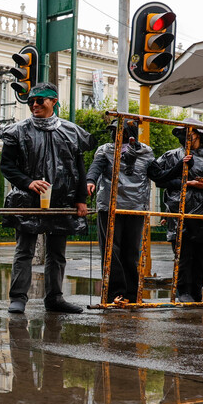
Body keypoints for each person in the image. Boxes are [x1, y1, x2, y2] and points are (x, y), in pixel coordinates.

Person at [0, 83, 94, 314]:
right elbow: (7, 166)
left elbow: (79, 168)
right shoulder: (17, 131)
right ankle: (18, 297)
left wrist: (81, 199)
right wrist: (28, 182)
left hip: (62, 200)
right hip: (27, 200)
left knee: (57, 252)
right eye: (31, 101)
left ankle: (54, 298)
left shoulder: (71, 132)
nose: (34, 105)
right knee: (24, 251)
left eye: (40, 100)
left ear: (53, 101)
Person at [147, 118, 203, 303]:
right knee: (183, 253)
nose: (187, 138)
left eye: (191, 134)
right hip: (181, 208)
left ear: (199, 135)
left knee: (202, 253)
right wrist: (187, 183)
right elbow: (160, 180)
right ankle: (183, 291)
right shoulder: (172, 156)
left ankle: (198, 291)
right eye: (184, 134)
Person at [86, 120, 155, 303]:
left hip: (135, 207)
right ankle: (114, 293)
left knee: (131, 251)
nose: (118, 135)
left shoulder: (144, 152)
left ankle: (131, 294)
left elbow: (157, 173)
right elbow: (96, 167)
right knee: (111, 250)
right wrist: (90, 180)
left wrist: (180, 170)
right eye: (115, 131)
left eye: (122, 131)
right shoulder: (106, 150)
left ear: (131, 132)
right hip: (110, 206)